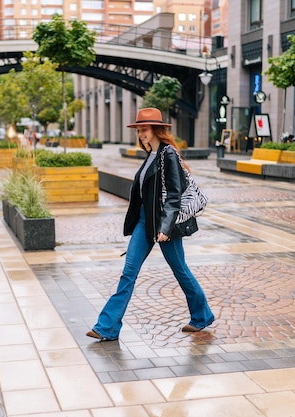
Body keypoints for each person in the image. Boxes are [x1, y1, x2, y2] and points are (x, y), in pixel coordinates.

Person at [86, 108, 215, 342]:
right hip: (145, 222)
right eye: (138, 130)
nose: (140, 134)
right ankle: (107, 327)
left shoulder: (168, 154)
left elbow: (174, 194)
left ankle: (201, 316)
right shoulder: (151, 155)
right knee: (128, 272)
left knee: (181, 270)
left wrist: (165, 227)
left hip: (164, 224)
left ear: (156, 129)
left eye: (144, 129)